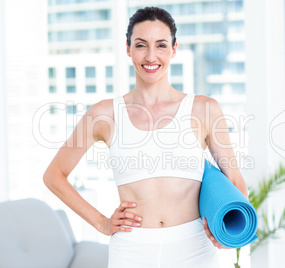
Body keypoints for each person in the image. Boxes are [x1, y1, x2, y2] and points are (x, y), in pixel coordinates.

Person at [43, 6, 248, 268]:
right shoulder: (105, 113)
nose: (151, 56)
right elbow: (54, 176)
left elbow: (235, 180)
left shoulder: (204, 109)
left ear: (174, 49)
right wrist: (102, 223)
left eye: (161, 45)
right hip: (131, 250)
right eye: (141, 45)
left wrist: (228, 233)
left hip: (194, 248)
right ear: (128, 49)